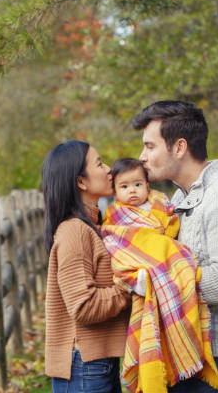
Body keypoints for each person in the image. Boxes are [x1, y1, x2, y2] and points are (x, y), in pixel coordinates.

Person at [131, 100, 218, 393]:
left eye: (150, 147)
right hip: (181, 351)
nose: (142, 157)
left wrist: (156, 289)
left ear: (179, 147)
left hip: (215, 358)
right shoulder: (177, 201)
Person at [101, 157, 218, 393]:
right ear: (114, 190)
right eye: (124, 186)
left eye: (138, 184)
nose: (132, 191)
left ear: (148, 185)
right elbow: (117, 245)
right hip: (142, 275)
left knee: (178, 272)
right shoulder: (115, 216)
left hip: (165, 270)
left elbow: (172, 230)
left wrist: (164, 247)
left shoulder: (162, 205)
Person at [41, 140, 132, 393]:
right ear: (81, 181)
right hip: (84, 366)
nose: (108, 170)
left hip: (96, 362)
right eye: (99, 163)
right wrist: (130, 288)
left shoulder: (91, 227)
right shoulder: (75, 231)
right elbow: (83, 306)